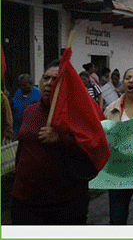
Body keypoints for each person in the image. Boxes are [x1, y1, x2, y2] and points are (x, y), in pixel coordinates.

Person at [11, 60, 91, 224]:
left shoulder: (77, 114)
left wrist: (61, 139)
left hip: (64, 204)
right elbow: (22, 149)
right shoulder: (30, 111)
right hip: (24, 201)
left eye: (55, 80)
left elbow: (91, 153)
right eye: (45, 78)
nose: (48, 84)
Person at [104, 67, 133, 225]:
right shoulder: (111, 109)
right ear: (123, 83)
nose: (131, 80)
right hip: (119, 173)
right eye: (128, 77)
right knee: (117, 219)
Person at [11, 74, 42, 140]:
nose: (22, 87)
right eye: (20, 85)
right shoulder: (18, 93)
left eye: (24, 85)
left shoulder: (38, 93)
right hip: (17, 130)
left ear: (31, 84)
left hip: (31, 131)